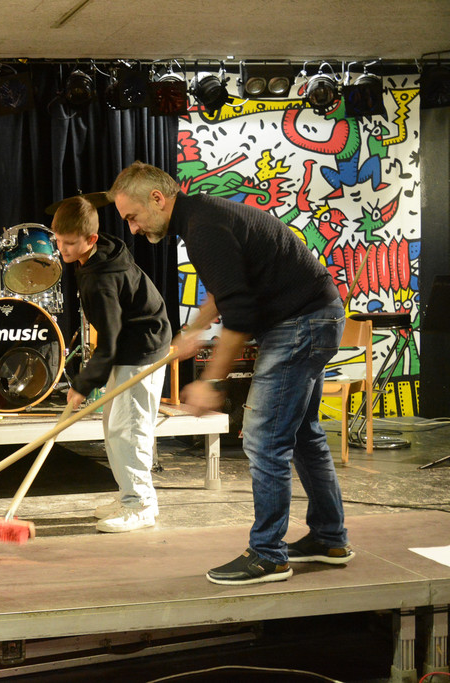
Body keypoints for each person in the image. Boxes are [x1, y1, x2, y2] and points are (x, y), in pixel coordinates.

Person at [109, 161, 353, 585]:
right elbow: (227, 294)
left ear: (158, 199)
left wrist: (210, 381)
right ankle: (329, 538)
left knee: (265, 439)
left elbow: (239, 316)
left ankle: (268, 556)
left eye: (132, 217)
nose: (132, 228)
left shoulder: (203, 229)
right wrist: (192, 331)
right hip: (315, 317)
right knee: (303, 435)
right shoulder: (202, 218)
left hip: (301, 324)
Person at [51, 196, 172, 533]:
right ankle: (132, 496)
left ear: (91, 238)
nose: (62, 249)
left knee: (128, 430)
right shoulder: (97, 255)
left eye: (69, 243)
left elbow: (110, 339)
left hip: (141, 348)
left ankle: (139, 506)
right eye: (58, 240)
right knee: (116, 427)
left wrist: (83, 384)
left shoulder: (102, 277)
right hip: (130, 344)